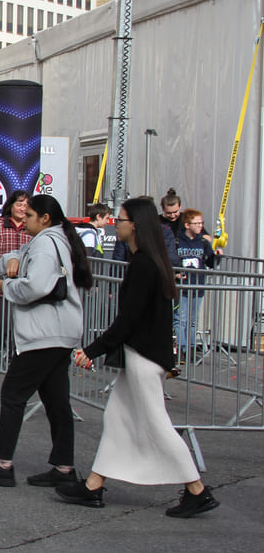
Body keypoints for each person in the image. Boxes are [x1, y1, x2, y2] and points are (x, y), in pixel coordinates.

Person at [62, 198, 219, 518]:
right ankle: (93, 485)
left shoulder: (144, 264)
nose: (116, 224)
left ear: (134, 225)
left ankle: (197, 490)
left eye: (120, 220)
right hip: (145, 355)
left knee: (156, 424)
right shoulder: (150, 261)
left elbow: (128, 320)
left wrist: (91, 350)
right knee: (118, 418)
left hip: (144, 357)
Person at [0, 194, 92, 488]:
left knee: (13, 394)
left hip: (44, 333)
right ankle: (63, 467)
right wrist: (10, 260)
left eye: (30, 215)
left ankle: (2, 464)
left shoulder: (47, 243)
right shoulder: (54, 239)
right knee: (56, 400)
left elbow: (34, 285)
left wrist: (7, 284)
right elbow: (14, 256)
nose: (24, 219)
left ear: (44, 218)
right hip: (58, 332)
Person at [0, 190, 33, 353]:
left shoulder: (31, 226)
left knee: (20, 323)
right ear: (11, 205)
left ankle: (13, 353)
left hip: (24, 284)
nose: (22, 208)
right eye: (19, 204)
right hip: (0, 284)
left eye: (25, 205)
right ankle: (0, 348)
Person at [173, 208, 221, 363]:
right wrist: (176, 274)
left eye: (201, 223)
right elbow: (171, 261)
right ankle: (181, 348)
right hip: (182, 286)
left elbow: (209, 262)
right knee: (181, 318)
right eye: (196, 223)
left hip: (198, 285)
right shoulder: (177, 241)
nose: (200, 226)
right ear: (187, 225)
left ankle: (191, 349)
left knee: (193, 320)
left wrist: (216, 256)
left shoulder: (203, 242)